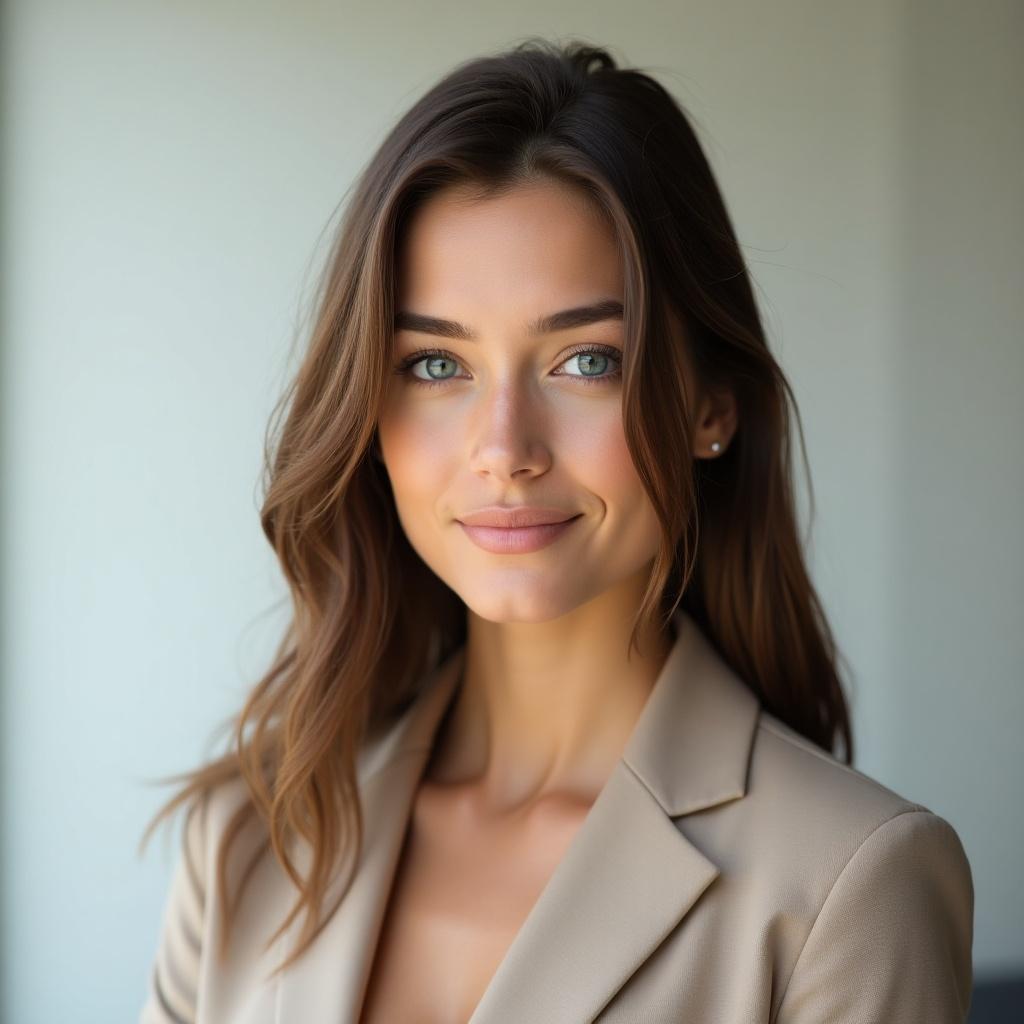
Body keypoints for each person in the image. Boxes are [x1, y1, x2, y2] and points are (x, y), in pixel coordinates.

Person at [137, 38, 974, 1023]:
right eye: (436, 367)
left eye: (584, 362)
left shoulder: (848, 886)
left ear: (712, 404)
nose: (504, 449)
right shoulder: (247, 840)